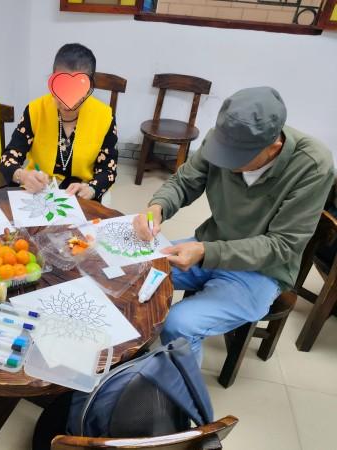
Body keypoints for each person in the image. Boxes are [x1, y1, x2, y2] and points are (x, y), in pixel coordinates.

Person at [133, 87, 334, 365]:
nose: (226, 163)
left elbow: (283, 246)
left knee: (180, 325)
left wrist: (206, 252)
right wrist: (157, 207)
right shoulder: (222, 139)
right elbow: (184, 182)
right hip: (210, 245)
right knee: (132, 272)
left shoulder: (312, 165)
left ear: (273, 148)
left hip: (262, 272)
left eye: (236, 159)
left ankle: (183, 392)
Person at [0, 43, 118, 202]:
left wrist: (91, 189)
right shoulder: (35, 110)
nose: (67, 103)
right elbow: (8, 157)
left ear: (89, 87)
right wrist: (22, 175)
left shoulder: (104, 116)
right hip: (39, 190)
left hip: (81, 193)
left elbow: (108, 170)